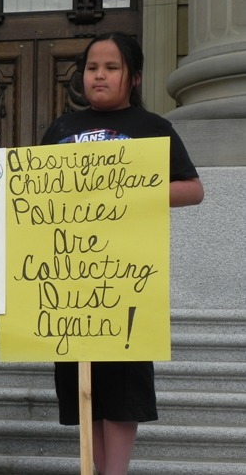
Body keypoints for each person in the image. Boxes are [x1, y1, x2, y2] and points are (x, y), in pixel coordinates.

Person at [41, 32, 204, 475]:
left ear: (133, 77)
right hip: (69, 275)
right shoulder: (59, 129)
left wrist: (130, 187)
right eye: (92, 67)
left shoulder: (154, 128)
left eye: (111, 68)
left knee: (123, 383)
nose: (99, 75)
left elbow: (193, 190)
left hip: (128, 276)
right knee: (83, 382)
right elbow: (33, 194)